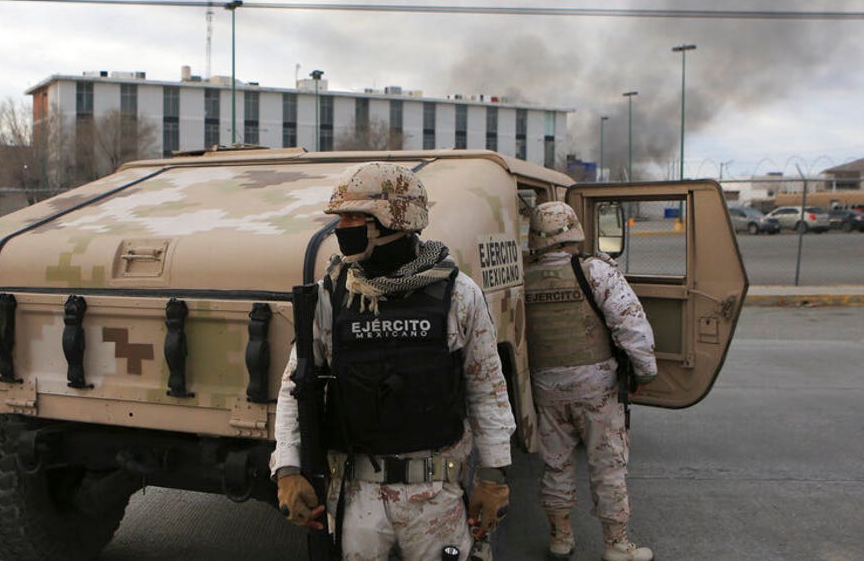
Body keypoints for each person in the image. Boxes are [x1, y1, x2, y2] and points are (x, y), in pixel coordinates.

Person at [272, 161, 516, 560]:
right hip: (356, 495)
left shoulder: (459, 295)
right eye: (341, 217)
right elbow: (295, 387)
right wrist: (287, 468)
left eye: (355, 216)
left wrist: (492, 477)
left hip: (437, 495)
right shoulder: (330, 296)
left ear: (394, 218)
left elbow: (487, 390)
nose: (342, 227)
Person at [524, 201, 657, 561]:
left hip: (545, 388)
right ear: (573, 231)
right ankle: (616, 545)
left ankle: (560, 539)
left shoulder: (522, 275)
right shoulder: (595, 270)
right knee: (608, 466)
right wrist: (644, 371)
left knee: (556, 465)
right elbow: (631, 324)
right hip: (595, 387)